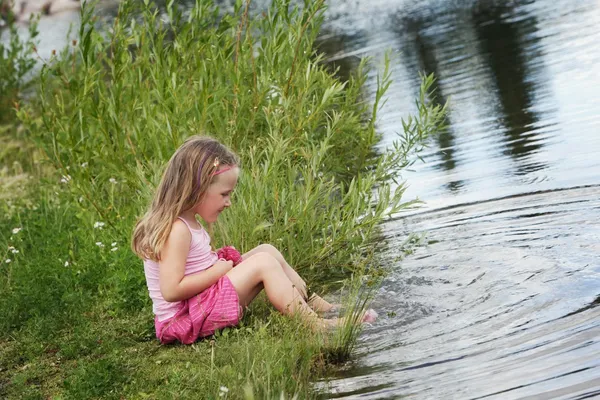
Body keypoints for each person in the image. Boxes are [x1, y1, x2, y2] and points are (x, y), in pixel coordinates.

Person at [132, 136, 376, 345]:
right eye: (224, 194)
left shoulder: (186, 222)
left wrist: (218, 267)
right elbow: (171, 290)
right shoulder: (177, 230)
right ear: (197, 188)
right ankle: (318, 326)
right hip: (184, 320)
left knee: (266, 250)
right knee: (262, 264)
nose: (228, 202)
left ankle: (320, 305)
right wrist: (219, 270)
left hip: (199, 305)